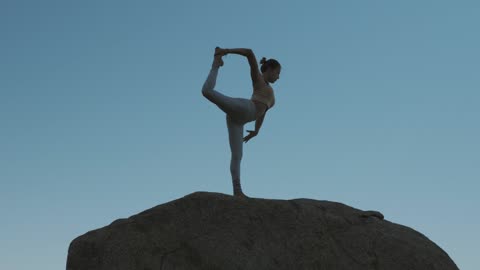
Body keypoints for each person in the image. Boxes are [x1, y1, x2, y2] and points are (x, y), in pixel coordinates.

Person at [201, 47, 281, 198]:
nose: (278, 77)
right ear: (269, 69)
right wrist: (226, 50)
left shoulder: (271, 94)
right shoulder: (258, 79)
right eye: (277, 73)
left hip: (239, 121)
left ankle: (237, 190)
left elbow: (263, 113)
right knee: (207, 92)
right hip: (245, 108)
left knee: (237, 155)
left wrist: (256, 131)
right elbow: (250, 53)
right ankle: (216, 63)